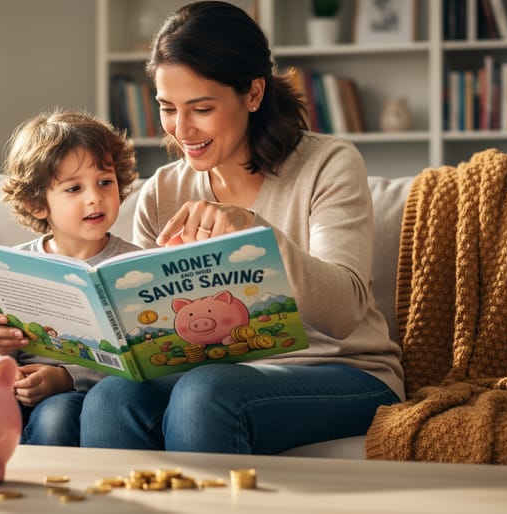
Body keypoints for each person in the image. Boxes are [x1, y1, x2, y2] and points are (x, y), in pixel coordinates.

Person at [77, 1, 404, 454]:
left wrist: (254, 232)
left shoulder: (328, 165)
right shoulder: (163, 190)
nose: (182, 129)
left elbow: (344, 311)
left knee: (204, 393)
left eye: (202, 108)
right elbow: (152, 331)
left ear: (252, 94)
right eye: (168, 108)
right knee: (112, 397)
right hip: (215, 372)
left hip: (344, 373)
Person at [0, 109, 139, 446]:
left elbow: (138, 359)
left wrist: (67, 377)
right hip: (19, 395)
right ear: (36, 203)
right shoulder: (11, 267)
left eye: (106, 182)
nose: (95, 197)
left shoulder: (133, 266)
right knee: (36, 416)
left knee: (60, 414)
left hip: (92, 396)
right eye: (74, 188)